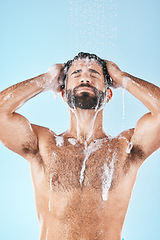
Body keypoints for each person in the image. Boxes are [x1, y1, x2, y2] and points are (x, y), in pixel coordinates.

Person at [0, 52, 159, 240]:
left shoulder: (125, 148)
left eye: (94, 74)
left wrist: (122, 77)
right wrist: (46, 79)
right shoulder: (43, 144)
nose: (85, 78)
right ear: (62, 93)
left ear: (108, 94)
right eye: (76, 75)